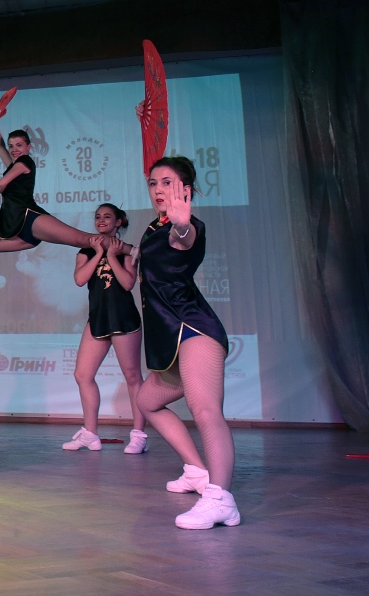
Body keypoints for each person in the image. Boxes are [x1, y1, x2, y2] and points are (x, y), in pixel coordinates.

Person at [134, 155, 239, 530]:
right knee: (147, 401)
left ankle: (221, 499)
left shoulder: (187, 226)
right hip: (170, 337)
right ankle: (196, 470)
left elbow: (184, 239)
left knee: (205, 409)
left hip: (194, 329)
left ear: (186, 190)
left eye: (167, 182)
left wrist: (181, 226)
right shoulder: (153, 228)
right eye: (153, 183)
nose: (158, 189)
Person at [0, 119, 105, 259]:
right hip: (19, 230)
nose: (14, 149)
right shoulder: (14, 165)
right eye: (11, 146)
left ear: (29, 147)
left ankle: (120, 248)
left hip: (30, 218)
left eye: (19, 145)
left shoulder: (25, 161)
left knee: (82, 239)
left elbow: (1, 183)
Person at [64, 203, 147, 454]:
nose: (101, 220)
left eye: (107, 217)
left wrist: (112, 255)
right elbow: (80, 280)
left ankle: (139, 436)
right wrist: (99, 252)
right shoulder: (86, 251)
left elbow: (128, 283)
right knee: (82, 375)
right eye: (98, 217)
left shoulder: (126, 251)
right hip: (98, 318)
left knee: (132, 376)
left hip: (123, 319)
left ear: (118, 222)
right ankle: (90, 434)